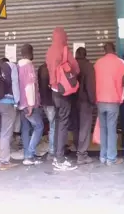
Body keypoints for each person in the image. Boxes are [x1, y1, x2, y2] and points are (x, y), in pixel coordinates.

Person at [46, 27, 79, 171]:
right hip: (64, 91)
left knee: (58, 122)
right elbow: (76, 69)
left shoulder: (49, 51)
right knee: (64, 123)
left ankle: (55, 155)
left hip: (54, 91)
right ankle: (59, 158)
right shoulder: (64, 50)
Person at [94, 42, 124, 166]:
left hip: (100, 100)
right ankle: (111, 158)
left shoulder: (98, 63)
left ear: (104, 51)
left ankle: (103, 156)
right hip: (113, 100)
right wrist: (121, 98)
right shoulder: (121, 63)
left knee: (103, 129)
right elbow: (123, 82)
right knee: (112, 129)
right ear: (114, 50)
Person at [18, 44, 44, 166]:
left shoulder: (18, 66)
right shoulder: (28, 66)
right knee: (39, 126)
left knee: (25, 128)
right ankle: (29, 155)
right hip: (29, 104)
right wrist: (31, 104)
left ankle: (26, 154)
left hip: (21, 103)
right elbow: (30, 86)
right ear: (30, 53)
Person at [0, 57, 20, 171]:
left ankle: (2, 156)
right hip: (8, 104)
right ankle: (4, 161)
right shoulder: (12, 66)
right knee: (6, 133)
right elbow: (15, 83)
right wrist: (17, 101)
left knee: (0, 132)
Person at [71, 47, 96, 165]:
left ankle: (77, 149)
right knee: (85, 127)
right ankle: (82, 155)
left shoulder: (71, 65)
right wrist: (93, 100)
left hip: (72, 101)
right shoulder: (88, 66)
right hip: (85, 101)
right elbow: (90, 85)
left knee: (76, 127)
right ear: (85, 55)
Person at [38, 63, 56, 160]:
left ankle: (53, 148)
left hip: (44, 102)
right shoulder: (53, 68)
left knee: (52, 125)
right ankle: (52, 150)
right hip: (52, 102)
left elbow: (39, 84)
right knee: (53, 126)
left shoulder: (41, 68)